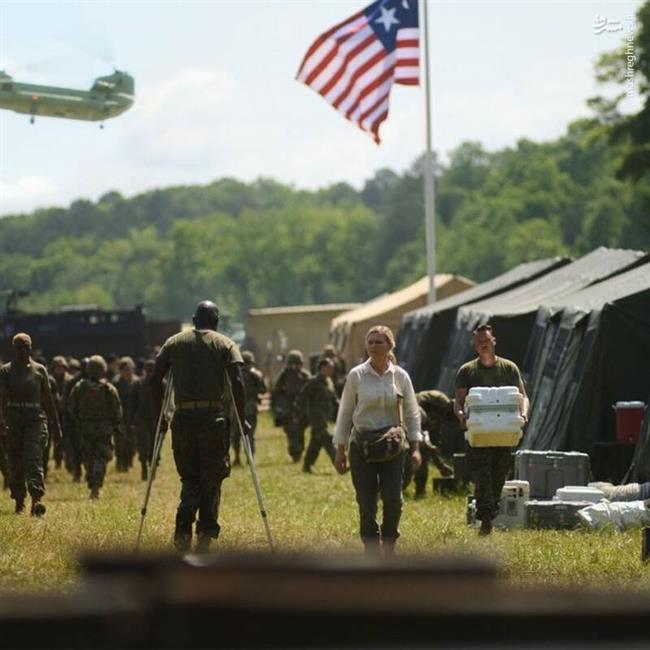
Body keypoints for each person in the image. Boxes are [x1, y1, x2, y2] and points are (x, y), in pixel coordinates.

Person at [152, 300, 248, 553]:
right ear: (216, 322)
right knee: (212, 478)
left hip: (182, 420)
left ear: (194, 321)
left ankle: (183, 529)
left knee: (190, 478)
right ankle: (205, 534)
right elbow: (237, 381)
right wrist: (242, 416)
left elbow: (154, 379)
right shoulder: (225, 343)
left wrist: (159, 415)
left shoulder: (174, 343)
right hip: (212, 421)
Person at [334, 325, 422, 555]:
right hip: (361, 446)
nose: (373, 346)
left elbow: (412, 413)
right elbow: (345, 413)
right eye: (370, 342)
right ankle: (371, 547)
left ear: (389, 346)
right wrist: (340, 450)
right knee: (366, 501)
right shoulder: (357, 375)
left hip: (393, 447)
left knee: (394, 499)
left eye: (378, 342)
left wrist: (415, 447)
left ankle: (390, 543)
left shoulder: (401, 377)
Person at [454, 324, 529, 536]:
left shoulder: (508, 368)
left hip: (504, 434)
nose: (483, 343)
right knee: (482, 476)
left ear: (493, 341)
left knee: (499, 476)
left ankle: (490, 511)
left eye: (486, 340)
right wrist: (460, 415)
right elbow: (458, 401)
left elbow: (523, 396)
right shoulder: (467, 371)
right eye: (479, 341)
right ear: (475, 345)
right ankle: (486, 519)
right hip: (478, 435)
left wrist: (523, 414)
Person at [0, 333, 62, 516]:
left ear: (31, 347)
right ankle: (19, 500)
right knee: (15, 462)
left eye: (25, 346)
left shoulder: (39, 370)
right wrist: (1, 420)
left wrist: (57, 426)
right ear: (14, 348)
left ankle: (37, 500)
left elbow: (48, 400)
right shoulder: (6, 371)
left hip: (35, 421)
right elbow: (1, 398)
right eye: (19, 346)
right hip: (14, 422)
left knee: (33, 459)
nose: (22, 349)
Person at [68, 355, 123, 499]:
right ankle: (96, 487)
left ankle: (92, 482)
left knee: (88, 457)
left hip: (85, 428)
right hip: (103, 429)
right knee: (101, 458)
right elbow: (117, 410)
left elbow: (71, 407)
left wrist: (78, 421)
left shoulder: (79, 387)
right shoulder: (108, 388)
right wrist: (115, 424)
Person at [296, 357, 338, 474]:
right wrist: (300, 413)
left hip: (325, 416)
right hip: (316, 417)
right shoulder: (313, 381)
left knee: (316, 442)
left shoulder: (329, 382)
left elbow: (334, 398)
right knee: (327, 438)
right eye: (330, 367)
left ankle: (307, 465)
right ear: (322, 368)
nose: (332, 370)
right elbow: (302, 397)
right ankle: (339, 463)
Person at [271, 350, 310, 462]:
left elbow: (276, 391)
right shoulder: (302, 374)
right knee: (296, 432)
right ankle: (297, 453)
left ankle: (296, 453)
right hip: (295, 409)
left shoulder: (286, 374)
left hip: (294, 409)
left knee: (294, 433)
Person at [233, 351, 266, 466]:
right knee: (249, 435)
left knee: (236, 435)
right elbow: (263, 389)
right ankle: (249, 459)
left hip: (236, 409)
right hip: (250, 408)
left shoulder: (234, 374)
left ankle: (237, 458)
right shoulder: (255, 374)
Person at [131, 359, 158, 480]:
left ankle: (153, 469)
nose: (150, 372)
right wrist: (131, 419)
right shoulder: (138, 384)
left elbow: (166, 403)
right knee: (143, 446)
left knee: (154, 447)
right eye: (148, 370)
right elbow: (133, 403)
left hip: (155, 420)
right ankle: (143, 468)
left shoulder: (160, 383)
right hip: (141, 419)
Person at [112, 356, 138, 472]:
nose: (127, 372)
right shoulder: (116, 383)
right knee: (120, 441)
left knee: (132, 441)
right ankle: (120, 462)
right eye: (125, 370)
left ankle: (129, 461)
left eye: (129, 369)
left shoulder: (137, 382)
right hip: (120, 417)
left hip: (134, 417)